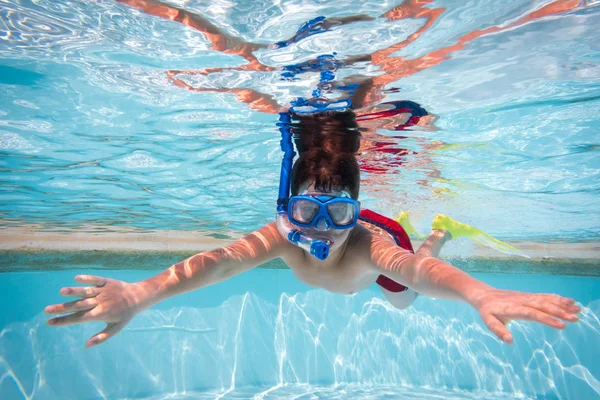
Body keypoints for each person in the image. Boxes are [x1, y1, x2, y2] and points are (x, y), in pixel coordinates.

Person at [45, 106, 581, 349]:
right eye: (305, 213)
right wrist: (140, 294)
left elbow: (417, 271)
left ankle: (438, 228)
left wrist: (478, 293)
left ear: (356, 212)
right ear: (287, 210)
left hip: (383, 245)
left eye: (338, 215)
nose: (322, 230)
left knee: (402, 300)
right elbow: (219, 264)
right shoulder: (280, 235)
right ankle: (432, 227)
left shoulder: (367, 244)